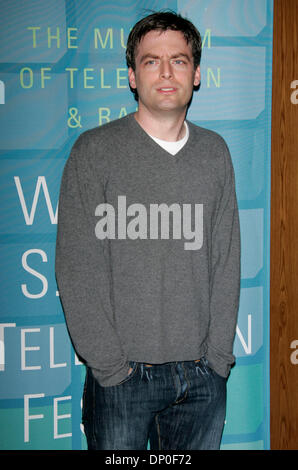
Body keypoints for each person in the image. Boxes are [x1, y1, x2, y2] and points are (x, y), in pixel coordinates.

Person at [55, 11, 240, 451]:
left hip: (201, 377)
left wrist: (216, 360)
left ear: (196, 74)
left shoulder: (215, 153)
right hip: (122, 379)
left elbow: (226, 259)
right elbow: (77, 268)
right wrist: (111, 369)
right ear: (133, 76)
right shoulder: (94, 151)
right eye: (151, 60)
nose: (165, 71)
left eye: (178, 60)